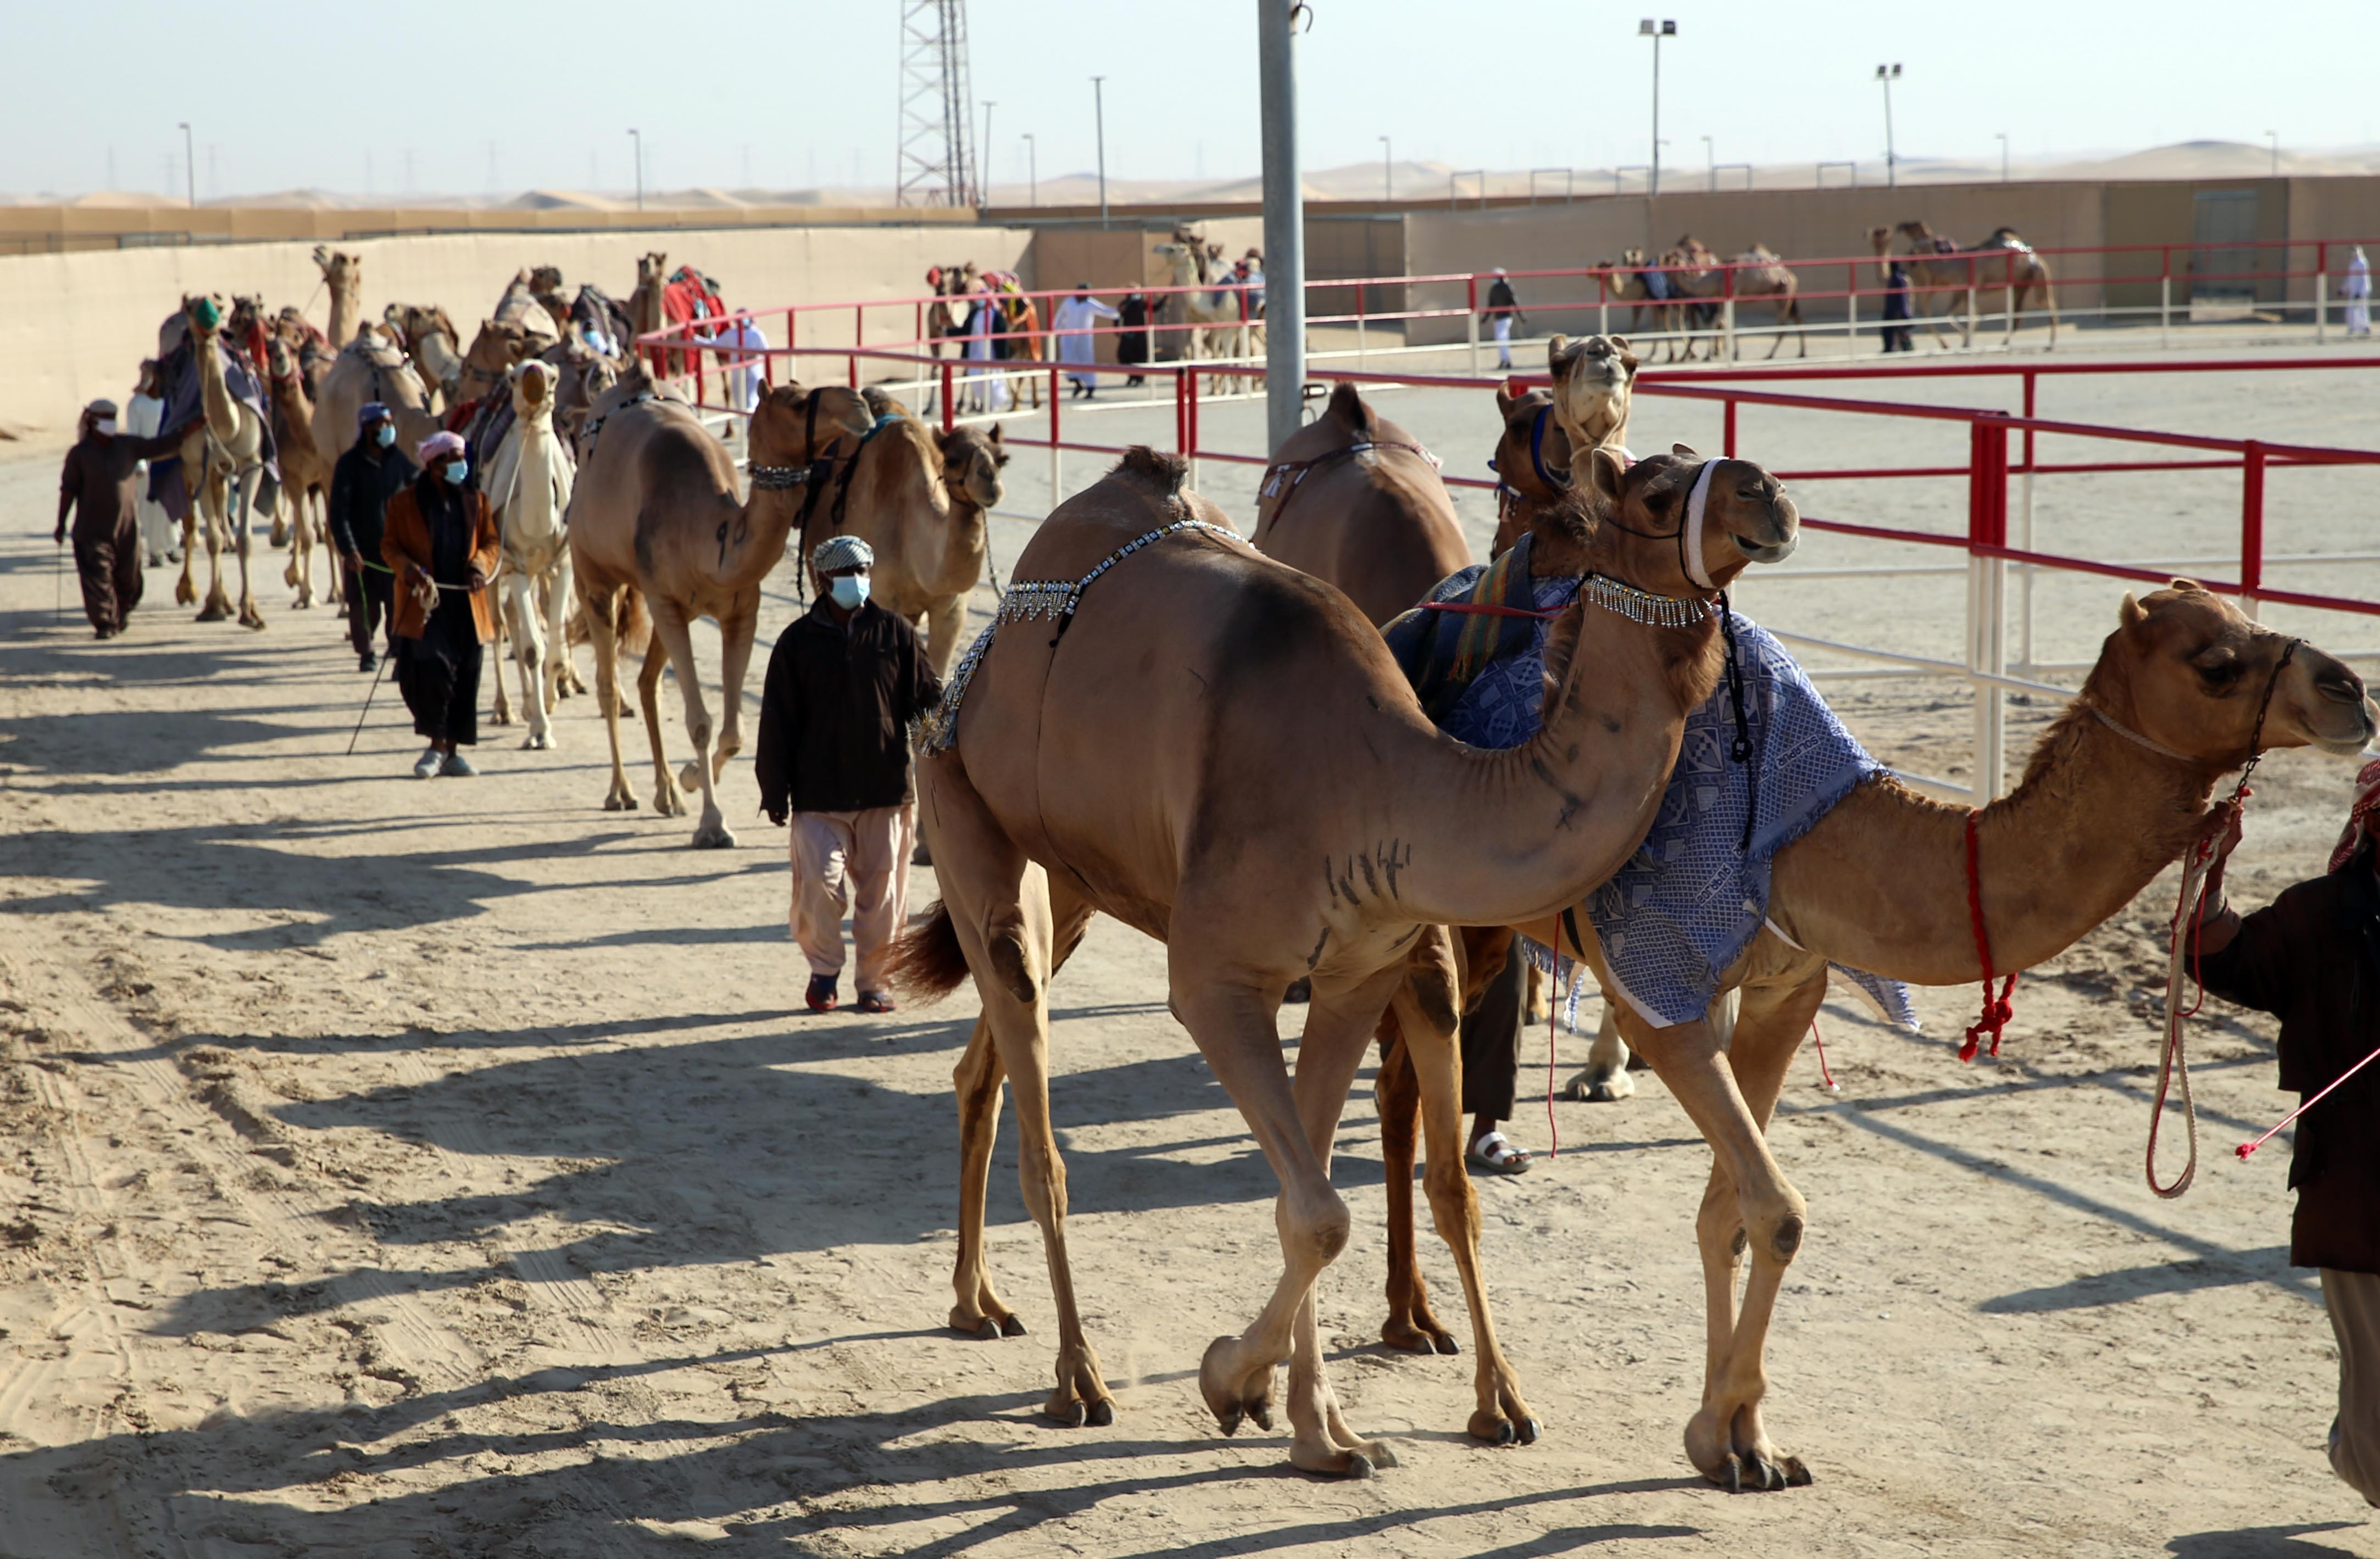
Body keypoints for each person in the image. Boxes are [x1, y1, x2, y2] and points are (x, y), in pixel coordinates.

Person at [2193, 762, 2380, 1508]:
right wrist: (2210, 872)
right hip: (2357, 1193)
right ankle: (2356, 1448)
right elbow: (2218, 959)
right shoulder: (2321, 914)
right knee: (2376, 1445)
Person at [754, 534, 942, 1015]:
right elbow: (777, 721)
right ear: (823, 580)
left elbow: (924, 702)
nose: (856, 582)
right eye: (846, 574)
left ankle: (874, 983)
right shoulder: (796, 643)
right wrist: (775, 791)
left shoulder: (896, 633)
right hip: (817, 795)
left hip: (885, 792)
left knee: (885, 899)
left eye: (863, 572)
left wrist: (944, 748)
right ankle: (824, 970)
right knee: (818, 885)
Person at [381, 430, 498, 780]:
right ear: (434, 465)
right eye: (453, 459)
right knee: (433, 671)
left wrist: (479, 565)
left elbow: (491, 542)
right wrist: (409, 571)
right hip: (425, 605)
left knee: (466, 674)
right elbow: (389, 546)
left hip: (467, 603)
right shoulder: (403, 504)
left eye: (462, 458)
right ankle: (435, 746)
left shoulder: (477, 501)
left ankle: (453, 753)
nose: (461, 465)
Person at [53, 398, 191, 638]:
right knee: (98, 578)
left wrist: (188, 431)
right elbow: (68, 490)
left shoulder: (127, 446)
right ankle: (105, 624)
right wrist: (61, 523)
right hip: (92, 531)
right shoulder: (79, 455)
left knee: (131, 579)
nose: (111, 424)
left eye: (113, 418)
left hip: (126, 529)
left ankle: (122, 613)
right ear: (92, 422)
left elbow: (159, 447)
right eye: (106, 419)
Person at [329, 402, 416, 673]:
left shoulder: (397, 459)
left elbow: (418, 484)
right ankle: (366, 653)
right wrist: (348, 549)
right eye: (383, 424)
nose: (389, 429)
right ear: (367, 429)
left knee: (398, 604)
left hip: (393, 550)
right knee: (363, 608)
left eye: (390, 424)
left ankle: (400, 656)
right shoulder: (349, 465)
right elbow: (338, 512)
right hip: (362, 552)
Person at [124, 361, 176, 565]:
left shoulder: (170, 401)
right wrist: (139, 463)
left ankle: (172, 544)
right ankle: (156, 551)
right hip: (148, 461)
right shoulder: (136, 404)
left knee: (172, 504)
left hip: (170, 459)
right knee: (150, 508)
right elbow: (134, 434)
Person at [1049, 283, 1120, 399]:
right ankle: (1076, 382)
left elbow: (1105, 311)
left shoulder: (1090, 303)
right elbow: (1060, 317)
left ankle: (1090, 387)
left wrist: (1118, 311)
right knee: (1068, 359)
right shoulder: (1069, 302)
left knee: (1086, 360)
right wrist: (1055, 330)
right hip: (1069, 336)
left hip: (1084, 337)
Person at [1481, 268, 1522, 370]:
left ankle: (1506, 360)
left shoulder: (1507, 287)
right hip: (1497, 318)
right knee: (1500, 339)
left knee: (1502, 338)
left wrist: (1521, 316)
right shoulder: (1494, 289)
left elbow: (1514, 302)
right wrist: (1485, 318)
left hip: (1506, 318)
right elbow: (1491, 305)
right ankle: (1505, 360)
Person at [1880, 253, 1915, 354]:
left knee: (1899, 330)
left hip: (1897, 310)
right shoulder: (1897, 279)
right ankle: (1893, 347)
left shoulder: (1898, 280)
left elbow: (1902, 297)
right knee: (1898, 330)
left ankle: (1904, 347)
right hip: (1896, 309)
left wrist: (1900, 311)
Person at [1117, 292, 1152, 387]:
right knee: (1125, 357)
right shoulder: (1124, 304)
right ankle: (1132, 376)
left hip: (1139, 336)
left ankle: (1139, 377)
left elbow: (1153, 308)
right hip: (1128, 335)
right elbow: (1118, 316)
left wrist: (1164, 299)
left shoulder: (1141, 303)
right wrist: (1117, 329)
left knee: (1140, 357)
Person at [2347, 246, 2372, 338]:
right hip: (2355, 290)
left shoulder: (2362, 263)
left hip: (2361, 290)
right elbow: (2350, 279)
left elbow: (2364, 279)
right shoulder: (2353, 263)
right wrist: (2343, 289)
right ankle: (2353, 328)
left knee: (2362, 309)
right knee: (2352, 309)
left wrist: (2361, 292)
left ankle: (2365, 327)